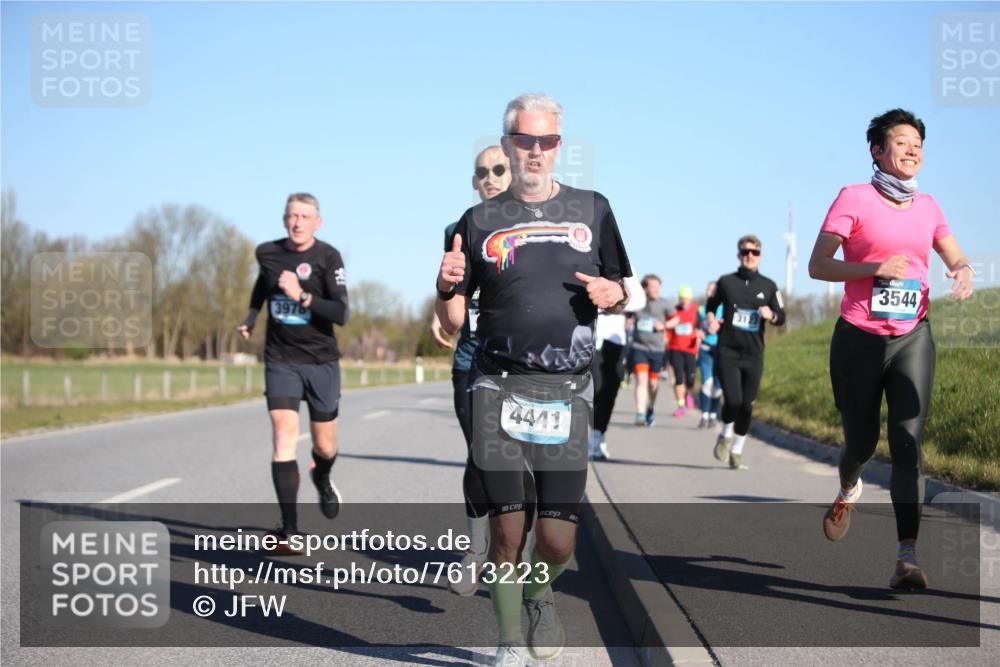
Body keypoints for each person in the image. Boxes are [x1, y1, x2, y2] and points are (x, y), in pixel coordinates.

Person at [435, 93, 632, 667]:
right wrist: (446, 285)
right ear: (507, 146)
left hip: (568, 389)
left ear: (559, 147)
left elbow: (623, 285)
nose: (536, 151)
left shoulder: (593, 209)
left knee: (557, 540)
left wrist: (612, 293)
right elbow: (453, 317)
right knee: (507, 530)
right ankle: (506, 642)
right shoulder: (478, 222)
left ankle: (541, 592)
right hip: (495, 386)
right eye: (525, 140)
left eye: (546, 141)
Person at [808, 108, 974, 590]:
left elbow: (952, 251)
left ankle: (906, 557)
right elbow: (819, 265)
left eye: (919, 141)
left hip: (912, 336)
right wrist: (873, 268)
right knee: (860, 442)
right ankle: (847, 487)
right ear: (878, 151)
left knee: (907, 440)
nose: (913, 148)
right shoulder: (854, 198)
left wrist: (961, 269)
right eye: (902, 141)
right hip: (859, 337)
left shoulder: (929, 206)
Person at [238, 193, 349, 553]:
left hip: (321, 361)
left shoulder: (328, 257)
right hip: (280, 358)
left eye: (305, 216)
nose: (297, 222)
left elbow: (341, 314)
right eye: (292, 215)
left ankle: (323, 474)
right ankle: (289, 531)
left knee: (325, 446)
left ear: (318, 222)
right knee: (284, 433)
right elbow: (263, 282)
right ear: (284, 219)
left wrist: (301, 296)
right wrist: (252, 316)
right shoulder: (268, 253)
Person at [430, 146, 512, 596]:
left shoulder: (535, 228)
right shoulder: (457, 228)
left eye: (499, 169)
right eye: (482, 172)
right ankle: (475, 549)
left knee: (518, 463)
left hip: (522, 364)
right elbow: (451, 287)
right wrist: (440, 305)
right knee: (480, 452)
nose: (491, 178)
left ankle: (514, 548)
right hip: (471, 360)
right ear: (474, 181)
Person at [706, 234, 785, 471]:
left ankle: (737, 449)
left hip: (754, 354)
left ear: (760, 256)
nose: (750, 256)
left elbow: (782, 317)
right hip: (728, 350)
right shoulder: (726, 281)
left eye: (755, 252)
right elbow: (711, 306)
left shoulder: (769, 286)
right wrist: (711, 320)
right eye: (745, 252)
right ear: (739, 255)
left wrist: (770, 315)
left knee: (747, 405)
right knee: (733, 400)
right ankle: (725, 434)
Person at [589, 274, 645, 460]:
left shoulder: (620, 265)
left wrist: (611, 298)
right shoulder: (584, 258)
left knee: (610, 388)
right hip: (588, 336)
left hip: (614, 339)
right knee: (594, 388)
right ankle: (590, 434)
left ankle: (598, 435)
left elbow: (639, 300)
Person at [629, 274, 671, 426]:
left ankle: (650, 408)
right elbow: (627, 314)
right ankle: (640, 414)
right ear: (645, 288)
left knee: (653, 384)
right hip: (639, 347)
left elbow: (676, 319)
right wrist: (628, 321)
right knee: (641, 380)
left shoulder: (665, 303)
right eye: (652, 286)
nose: (656, 289)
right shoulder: (638, 303)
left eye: (658, 286)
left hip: (657, 350)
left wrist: (664, 325)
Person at [664, 285, 699, 417]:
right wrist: (666, 340)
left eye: (687, 299)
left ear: (690, 299)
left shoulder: (696, 310)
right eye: (682, 298)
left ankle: (688, 394)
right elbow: (668, 329)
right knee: (678, 377)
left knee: (690, 379)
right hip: (675, 348)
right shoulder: (674, 311)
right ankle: (680, 405)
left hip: (691, 349)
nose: (684, 301)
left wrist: (699, 334)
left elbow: (700, 326)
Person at [696, 281, 724, 429]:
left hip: (721, 349)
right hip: (706, 349)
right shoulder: (701, 310)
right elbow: (694, 327)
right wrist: (697, 332)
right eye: (708, 289)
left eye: (713, 290)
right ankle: (704, 415)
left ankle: (713, 414)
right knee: (707, 383)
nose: (710, 292)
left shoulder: (725, 309)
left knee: (718, 385)